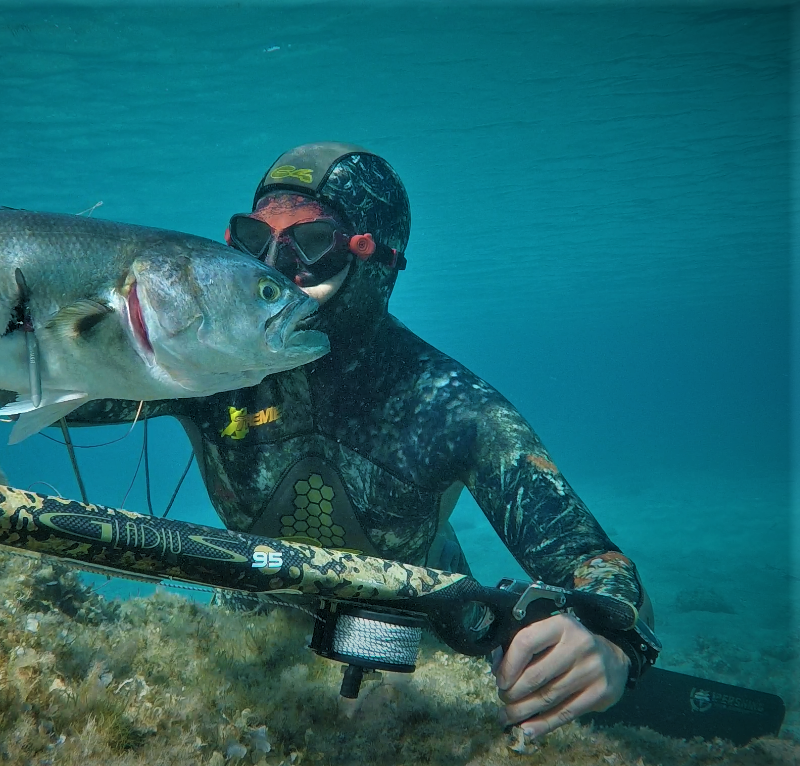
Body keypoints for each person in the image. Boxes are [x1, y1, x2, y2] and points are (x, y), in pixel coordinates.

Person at [67, 142, 656, 739]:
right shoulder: (203, 367)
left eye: (312, 242)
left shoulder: (450, 405)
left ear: (378, 257)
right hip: (252, 623)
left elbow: (590, 561)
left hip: (414, 639)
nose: (276, 265)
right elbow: (47, 398)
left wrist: (610, 641)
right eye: (254, 239)